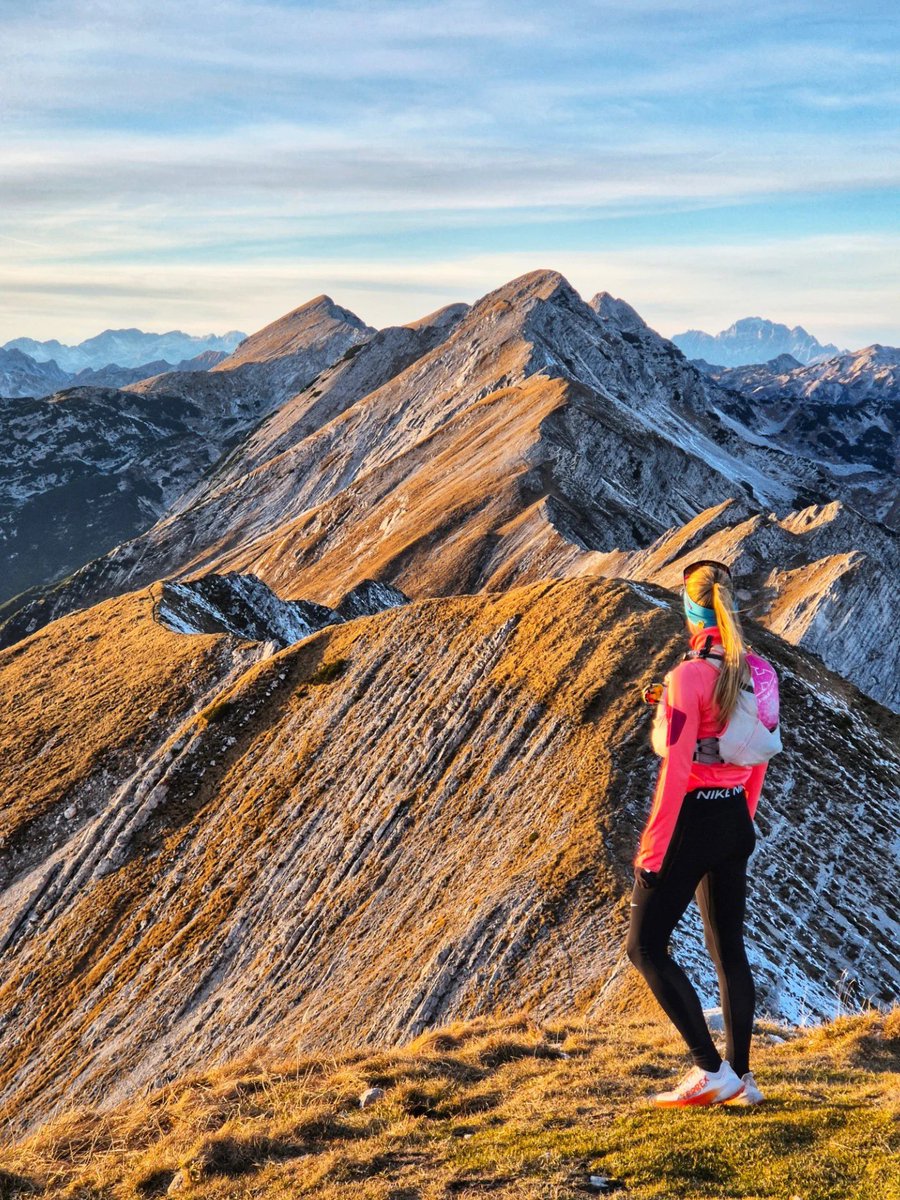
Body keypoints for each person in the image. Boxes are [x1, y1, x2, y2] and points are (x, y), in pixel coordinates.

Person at [626, 559, 781, 1107]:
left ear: (692, 615)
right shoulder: (761, 674)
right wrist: (739, 816)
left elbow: (674, 771)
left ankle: (709, 1069)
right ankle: (742, 1077)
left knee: (644, 946)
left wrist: (654, 847)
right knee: (729, 950)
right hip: (735, 820)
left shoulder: (686, 677)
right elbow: (759, 758)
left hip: (689, 820)